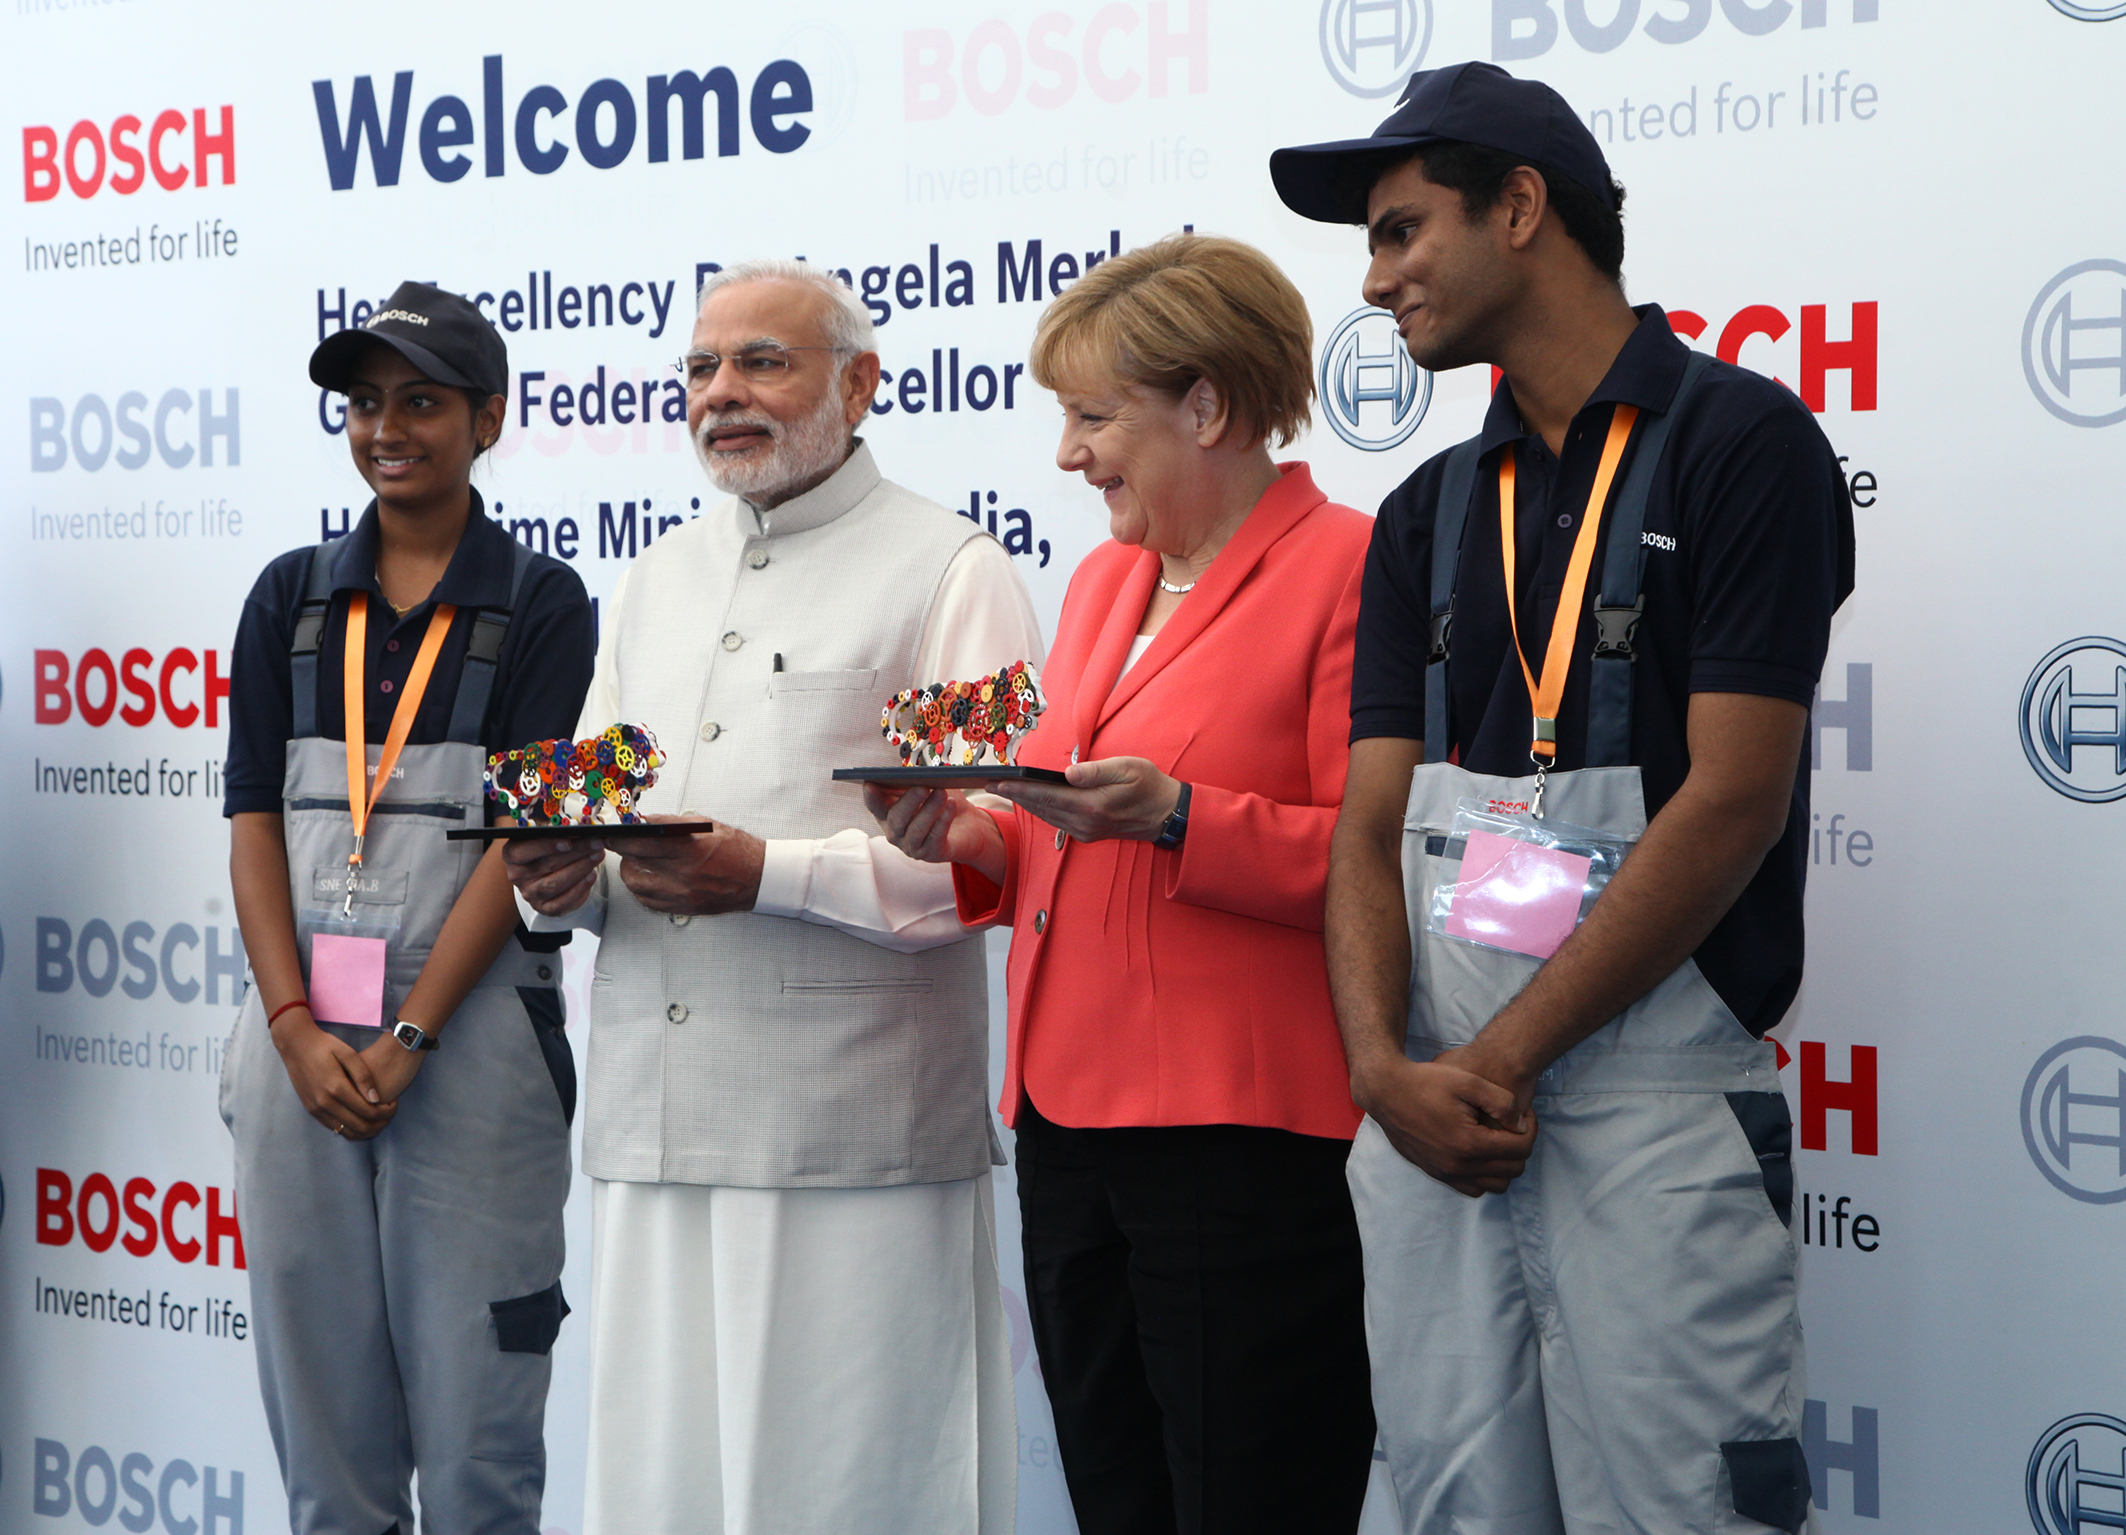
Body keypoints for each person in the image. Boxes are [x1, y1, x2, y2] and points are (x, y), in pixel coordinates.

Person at [1270, 62, 1856, 1535]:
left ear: (1519, 209)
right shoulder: (1424, 511)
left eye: (1401, 230)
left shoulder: (1739, 444)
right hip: (1427, 1113)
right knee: (1456, 1509)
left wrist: (1502, 1060)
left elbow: (1728, 804)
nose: (1375, 274)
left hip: (1642, 1113)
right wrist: (1377, 1071)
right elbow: (1365, 823)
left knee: (1684, 1508)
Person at [499, 258, 1041, 1535]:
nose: (721, 394)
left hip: (852, 1137)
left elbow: (993, 851)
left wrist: (770, 874)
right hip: (650, 1126)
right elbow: (585, 809)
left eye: (761, 362)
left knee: (852, 1493)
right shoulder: (649, 578)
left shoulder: (957, 569)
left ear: (860, 384)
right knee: (661, 1495)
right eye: (700, 367)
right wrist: (553, 881)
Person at [870, 233, 1377, 1535]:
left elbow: (1371, 854)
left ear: (1205, 406)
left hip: (1237, 1132)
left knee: (1250, 1487)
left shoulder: (1348, 569)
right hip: (1064, 1121)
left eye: (1093, 416)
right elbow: (1048, 823)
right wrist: (960, 834)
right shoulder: (1103, 577)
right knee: (1114, 1487)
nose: (1065, 454)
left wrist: (1182, 816)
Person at [219, 281, 596, 1535]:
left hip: (470, 1046)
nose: (387, 427)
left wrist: (411, 1035)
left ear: (488, 419)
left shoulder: (546, 602)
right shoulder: (286, 598)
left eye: (421, 402)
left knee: (481, 1459)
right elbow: (254, 822)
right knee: (330, 1467)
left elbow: (524, 834)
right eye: (364, 402)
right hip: (299, 1050)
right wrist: (286, 1023)